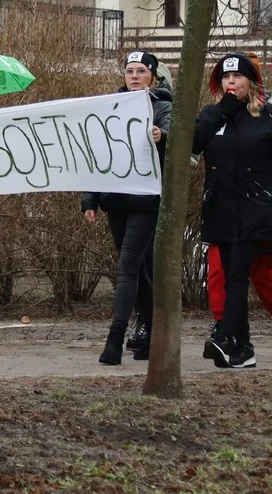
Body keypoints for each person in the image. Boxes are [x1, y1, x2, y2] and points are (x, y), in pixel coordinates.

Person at [193, 52, 272, 369]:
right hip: (220, 207)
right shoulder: (213, 115)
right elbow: (193, 142)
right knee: (223, 271)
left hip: (255, 207)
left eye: (238, 77)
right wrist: (221, 111)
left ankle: (229, 336)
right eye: (225, 77)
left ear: (252, 82)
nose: (231, 82)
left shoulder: (270, 118)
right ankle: (242, 345)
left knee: (239, 273)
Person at [82, 51, 172, 365]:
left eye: (141, 71)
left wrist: (163, 137)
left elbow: (179, 144)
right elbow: (98, 153)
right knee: (136, 268)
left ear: (154, 76)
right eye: (129, 71)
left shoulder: (162, 107)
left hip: (146, 200)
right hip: (117, 199)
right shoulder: (112, 108)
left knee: (128, 265)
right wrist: (90, 198)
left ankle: (115, 337)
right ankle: (152, 324)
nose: (134, 76)